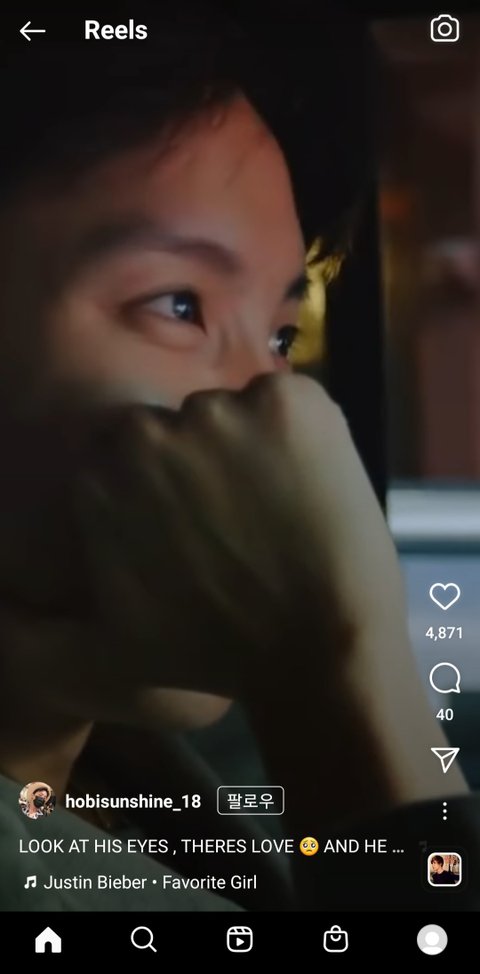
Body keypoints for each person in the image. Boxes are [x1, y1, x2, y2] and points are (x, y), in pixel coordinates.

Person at [0, 2, 478, 913]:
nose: (284, 412)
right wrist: (336, 673)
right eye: (179, 306)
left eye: (280, 336)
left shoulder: (154, 782)